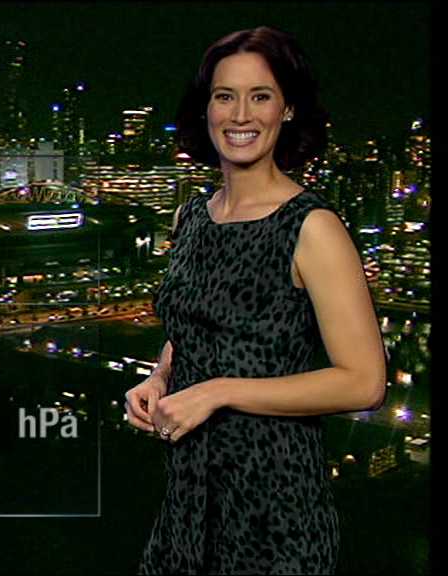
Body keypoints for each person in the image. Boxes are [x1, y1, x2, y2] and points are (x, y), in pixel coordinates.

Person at [125, 26, 387, 574]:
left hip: (275, 512)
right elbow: (193, 327)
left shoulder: (312, 227)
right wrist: (158, 378)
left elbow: (364, 382)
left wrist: (218, 391)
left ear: (287, 109)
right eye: (225, 96)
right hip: (186, 500)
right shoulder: (191, 216)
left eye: (260, 96)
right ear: (206, 108)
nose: (240, 115)